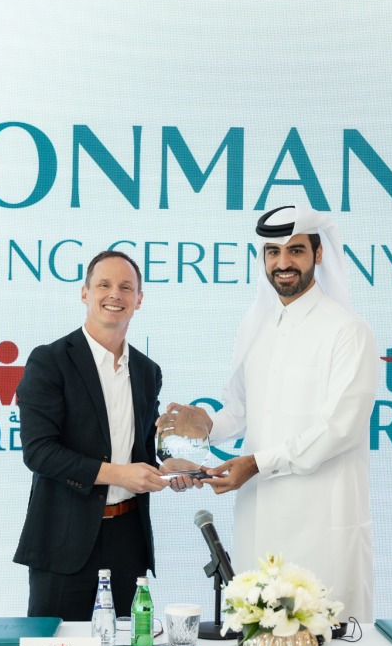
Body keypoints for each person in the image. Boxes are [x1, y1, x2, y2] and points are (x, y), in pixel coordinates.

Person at [156, 205, 378, 624]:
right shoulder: (255, 324)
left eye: (296, 250)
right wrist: (206, 426)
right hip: (257, 516)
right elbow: (239, 411)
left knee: (327, 645)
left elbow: (340, 428)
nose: (283, 262)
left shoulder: (347, 331)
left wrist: (257, 463)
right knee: (255, 639)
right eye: (273, 252)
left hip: (321, 521)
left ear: (319, 254)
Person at [13, 250, 171, 620]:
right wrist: (119, 474)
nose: (115, 294)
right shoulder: (50, 361)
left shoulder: (147, 371)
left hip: (129, 541)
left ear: (139, 299)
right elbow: (39, 452)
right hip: (64, 539)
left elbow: (142, 448)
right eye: (104, 285)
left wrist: (171, 467)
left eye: (126, 287)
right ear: (85, 293)